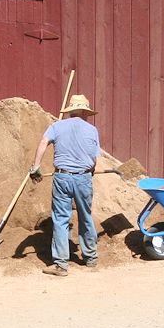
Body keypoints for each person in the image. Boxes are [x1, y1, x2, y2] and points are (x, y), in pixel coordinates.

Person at [29, 94, 101, 277]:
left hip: (62, 177)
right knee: (85, 215)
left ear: (70, 111)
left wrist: (36, 167)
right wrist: (89, 170)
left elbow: (44, 142)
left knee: (61, 219)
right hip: (83, 178)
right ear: (85, 112)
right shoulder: (92, 130)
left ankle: (61, 265)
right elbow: (93, 159)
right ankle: (90, 258)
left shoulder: (57, 126)